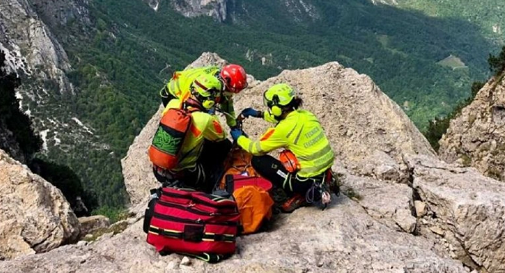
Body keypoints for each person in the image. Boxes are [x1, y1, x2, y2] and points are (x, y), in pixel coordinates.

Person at [230, 83, 336, 212]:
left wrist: (239, 137)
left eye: (270, 107)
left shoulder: (283, 130)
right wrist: (258, 114)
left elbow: (255, 148)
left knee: (258, 160)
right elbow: (281, 117)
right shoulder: (306, 115)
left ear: (277, 109)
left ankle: (301, 192)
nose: (269, 109)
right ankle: (324, 180)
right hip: (324, 170)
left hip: (305, 180)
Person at [153, 74, 232, 193]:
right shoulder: (205, 119)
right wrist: (211, 115)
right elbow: (221, 136)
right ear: (209, 99)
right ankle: (210, 187)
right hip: (185, 176)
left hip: (158, 170)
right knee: (224, 146)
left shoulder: (173, 104)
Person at [159, 64, 248, 129]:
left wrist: (233, 124)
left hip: (179, 87)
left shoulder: (219, 77)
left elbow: (226, 101)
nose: (232, 93)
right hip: (173, 94)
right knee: (184, 124)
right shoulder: (205, 88)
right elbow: (208, 116)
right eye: (232, 90)